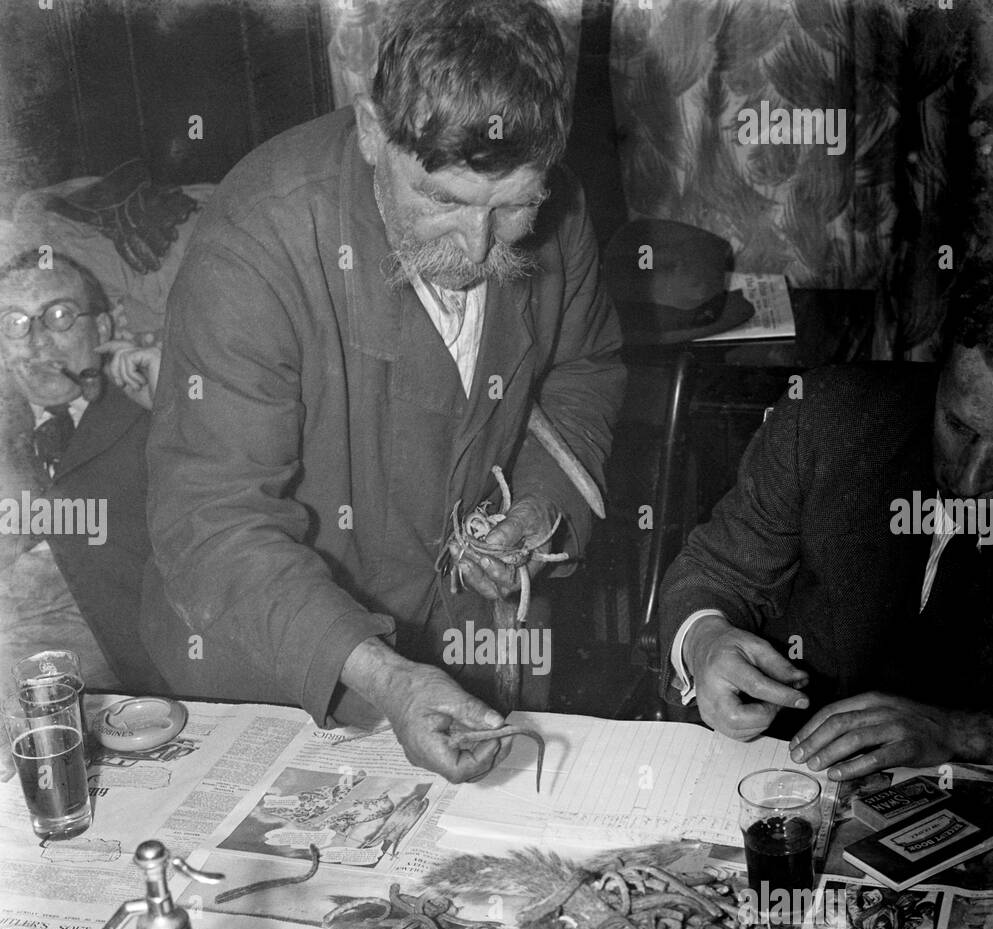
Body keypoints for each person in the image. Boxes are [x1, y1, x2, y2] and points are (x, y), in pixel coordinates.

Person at [142, 0, 625, 782]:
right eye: (441, 200)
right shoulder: (257, 239)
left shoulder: (558, 207)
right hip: (282, 676)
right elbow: (211, 520)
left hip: (480, 654)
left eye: (512, 208)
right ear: (371, 129)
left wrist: (537, 510)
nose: (474, 248)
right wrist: (386, 677)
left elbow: (586, 367)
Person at [658, 266, 993, 781]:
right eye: (957, 426)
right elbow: (718, 569)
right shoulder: (825, 419)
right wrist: (705, 642)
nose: (971, 481)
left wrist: (960, 733)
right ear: (940, 367)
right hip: (788, 769)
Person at [0, 249, 163, 691]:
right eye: (14, 323)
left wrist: (176, 409)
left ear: (103, 328)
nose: (37, 340)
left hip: (133, 687)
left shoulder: (154, 411)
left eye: (59, 315)